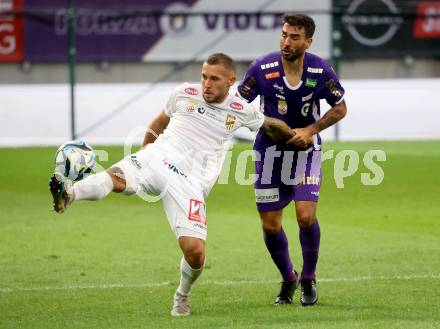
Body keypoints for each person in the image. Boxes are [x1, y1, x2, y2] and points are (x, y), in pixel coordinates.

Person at [49, 53, 294, 316]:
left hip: (190, 182)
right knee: (115, 178)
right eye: (204, 77)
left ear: (230, 81)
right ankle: (71, 193)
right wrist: (145, 151)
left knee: (195, 253)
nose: (206, 84)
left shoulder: (241, 110)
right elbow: (159, 121)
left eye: (214, 79)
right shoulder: (183, 93)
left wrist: (300, 135)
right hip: (158, 157)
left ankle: (182, 294)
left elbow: (271, 126)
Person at [237, 14, 347, 306]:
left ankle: (309, 278)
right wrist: (261, 123)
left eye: (294, 37)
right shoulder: (261, 68)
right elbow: (237, 104)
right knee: (271, 225)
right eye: (284, 35)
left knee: (305, 216)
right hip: (269, 154)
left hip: (305, 154)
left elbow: (340, 108)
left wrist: (311, 130)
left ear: (308, 41)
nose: (287, 41)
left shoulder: (320, 70)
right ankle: (288, 277)